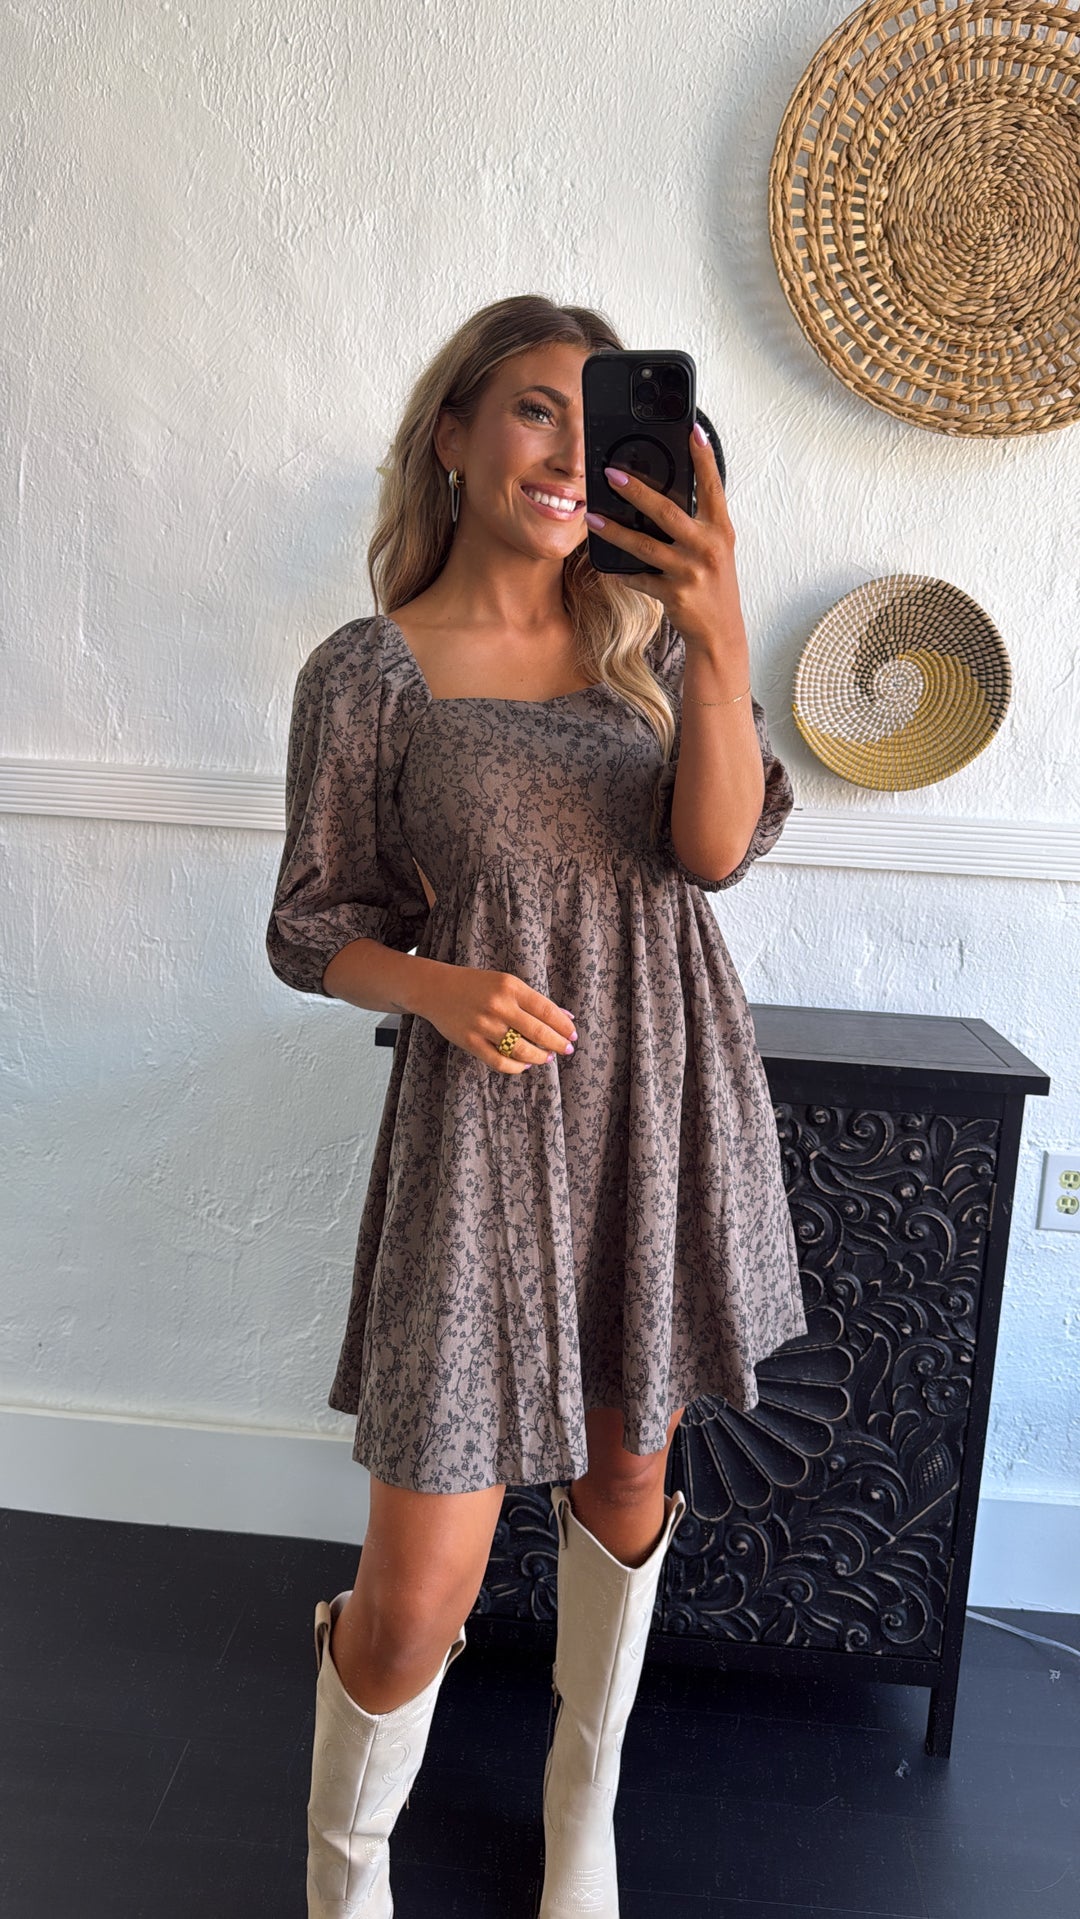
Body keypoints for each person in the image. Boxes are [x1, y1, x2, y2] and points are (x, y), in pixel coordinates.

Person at [265, 293, 808, 1918]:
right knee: (417, 1592)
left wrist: (719, 630)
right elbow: (310, 924)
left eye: (600, 418)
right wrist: (433, 985)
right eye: (532, 410)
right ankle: (345, 1873)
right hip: (483, 1141)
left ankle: (587, 1802)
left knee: (627, 1483)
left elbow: (714, 853)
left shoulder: (656, 646)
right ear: (453, 434)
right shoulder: (370, 671)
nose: (571, 453)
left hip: (662, 1103)